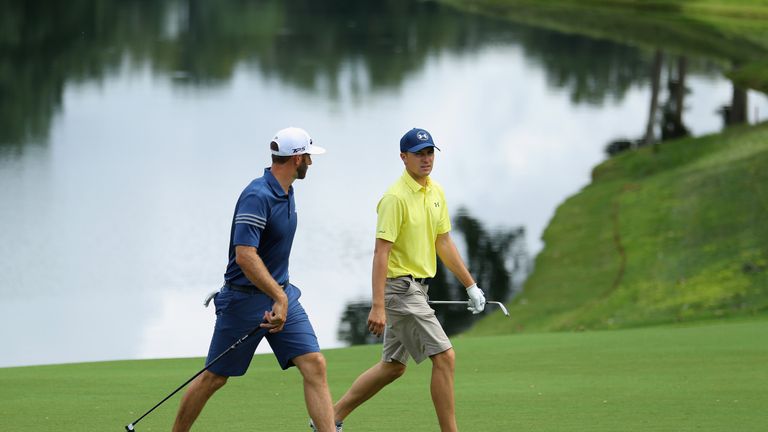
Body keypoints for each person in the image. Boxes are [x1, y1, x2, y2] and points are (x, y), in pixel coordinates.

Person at [172, 127, 337, 432]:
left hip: (281, 296)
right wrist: (279, 295)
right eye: (308, 159)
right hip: (243, 301)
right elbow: (245, 256)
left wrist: (281, 295)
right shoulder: (257, 196)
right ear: (297, 159)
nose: (311, 165)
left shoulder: (286, 190)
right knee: (214, 377)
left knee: (314, 364)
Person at [323, 128, 486, 432]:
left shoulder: (435, 192)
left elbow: (444, 243)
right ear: (403, 157)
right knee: (445, 357)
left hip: (418, 289)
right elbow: (380, 253)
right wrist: (377, 306)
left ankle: (328, 420)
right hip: (400, 289)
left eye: (429, 153)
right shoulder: (394, 198)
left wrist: (471, 284)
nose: (426, 159)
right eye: (418, 154)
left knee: (393, 367)